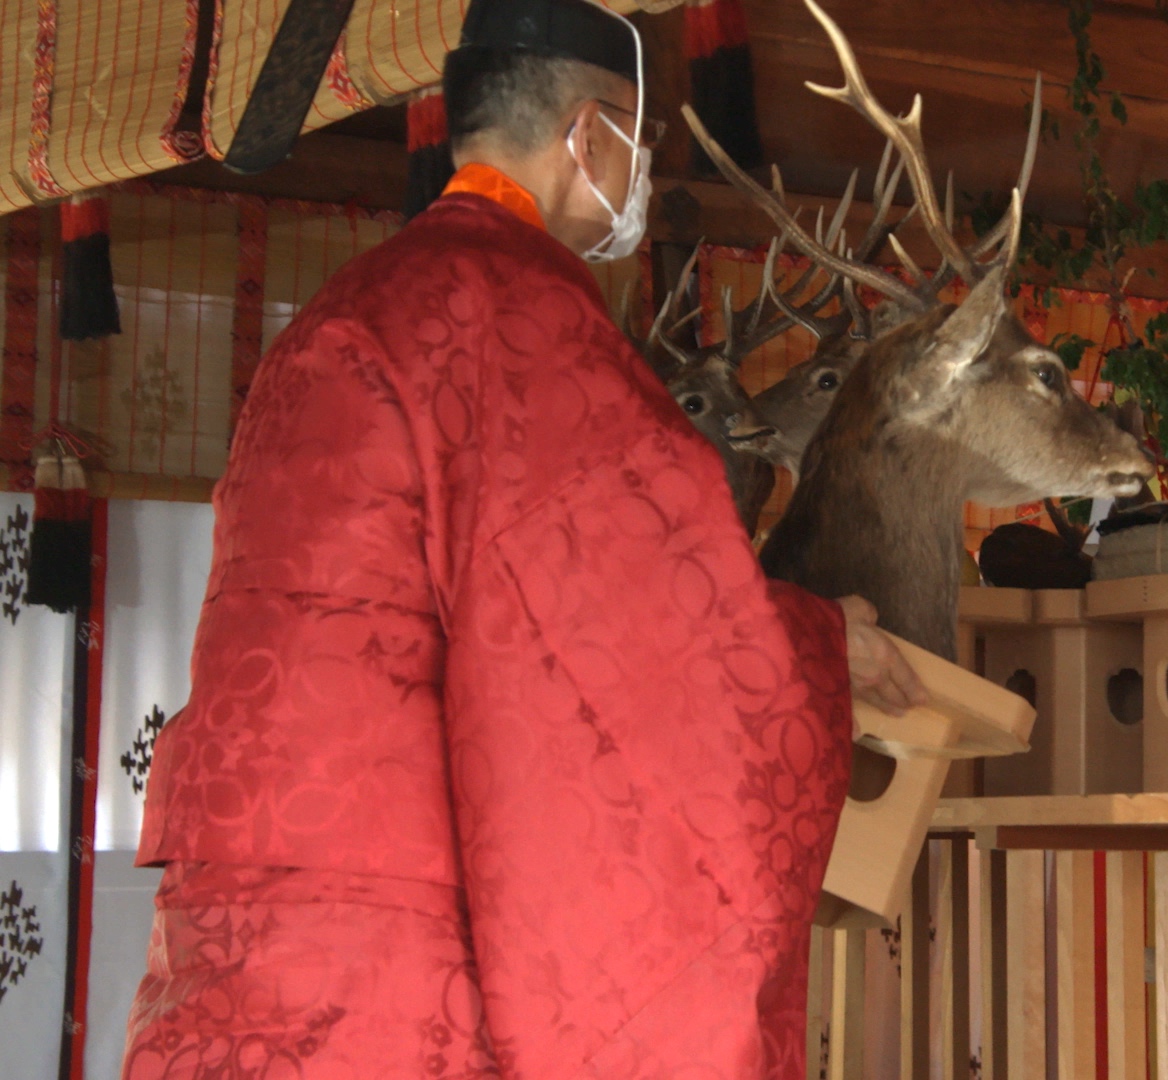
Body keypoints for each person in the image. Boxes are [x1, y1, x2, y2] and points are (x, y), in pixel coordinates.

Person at [120, 1, 923, 1077]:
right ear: (590, 136)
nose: (643, 175)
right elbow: (631, 637)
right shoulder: (515, 318)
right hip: (389, 954)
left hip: (232, 936)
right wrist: (818, 650)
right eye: (641, 141)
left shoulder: (339, 312)